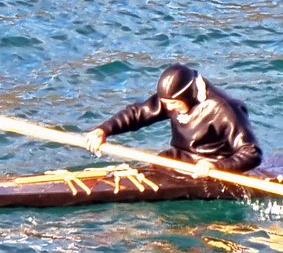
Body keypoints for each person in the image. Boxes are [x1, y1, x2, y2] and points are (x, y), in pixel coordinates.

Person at [83, 64, 262, 176]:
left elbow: (252, 153)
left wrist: (217, 166)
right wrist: (104, 129)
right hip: (177, 159)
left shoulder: (224, 109)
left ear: (188, 96)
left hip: (212, 168)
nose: (168, 109)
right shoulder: (172, 99)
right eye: (165, 103)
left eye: (173, 104)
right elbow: (138, 114)